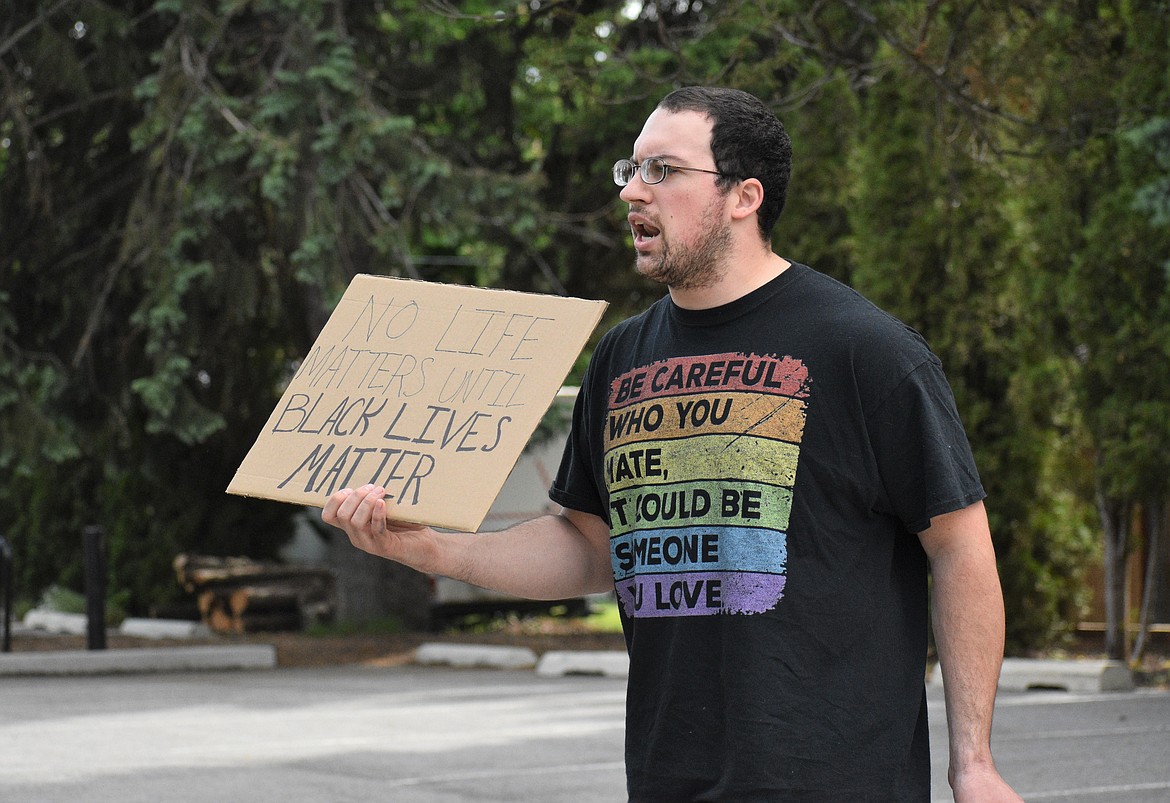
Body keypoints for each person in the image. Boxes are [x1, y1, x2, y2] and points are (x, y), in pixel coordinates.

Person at [323, 86, 1021, 802]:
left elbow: (959, 546)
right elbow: (593, 545)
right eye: (630, 170)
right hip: (667, 777)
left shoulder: (864, 350)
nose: (632, 192)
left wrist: (974, 762)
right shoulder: (622, 358)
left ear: (743, 196)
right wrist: (431, 548)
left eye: (662, 170)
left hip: (835, 780)